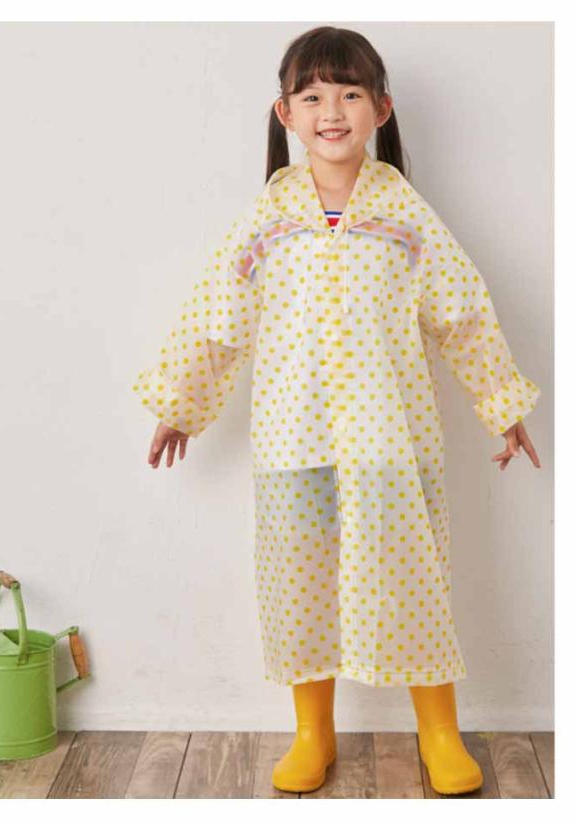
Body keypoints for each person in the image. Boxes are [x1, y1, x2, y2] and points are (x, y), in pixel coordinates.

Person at [132, 25, 542, 796]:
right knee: (301, 583)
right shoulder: (269, 217)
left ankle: (439, 731)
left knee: (413, 579)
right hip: (294, 441)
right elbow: (217, 317)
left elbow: (462, 313)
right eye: (313, 95)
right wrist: (180, 404)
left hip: (391, 442)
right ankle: (312, 733)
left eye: (350, 93)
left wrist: (501, 403)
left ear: (380, 108)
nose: (332, 111)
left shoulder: (405, 215)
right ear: (285, 113)